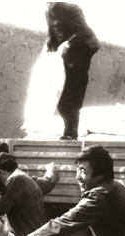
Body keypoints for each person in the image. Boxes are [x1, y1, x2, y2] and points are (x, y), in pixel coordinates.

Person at [45, 2, 100, 140]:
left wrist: (68, 44)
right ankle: (69, 132)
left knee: (72, 96)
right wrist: (48, 48)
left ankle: (70, 133)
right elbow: (51, 34)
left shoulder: (72, 8)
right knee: (60, 97)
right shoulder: (48, 11)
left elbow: (84, 30)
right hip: (63, 57)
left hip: (79, 55)